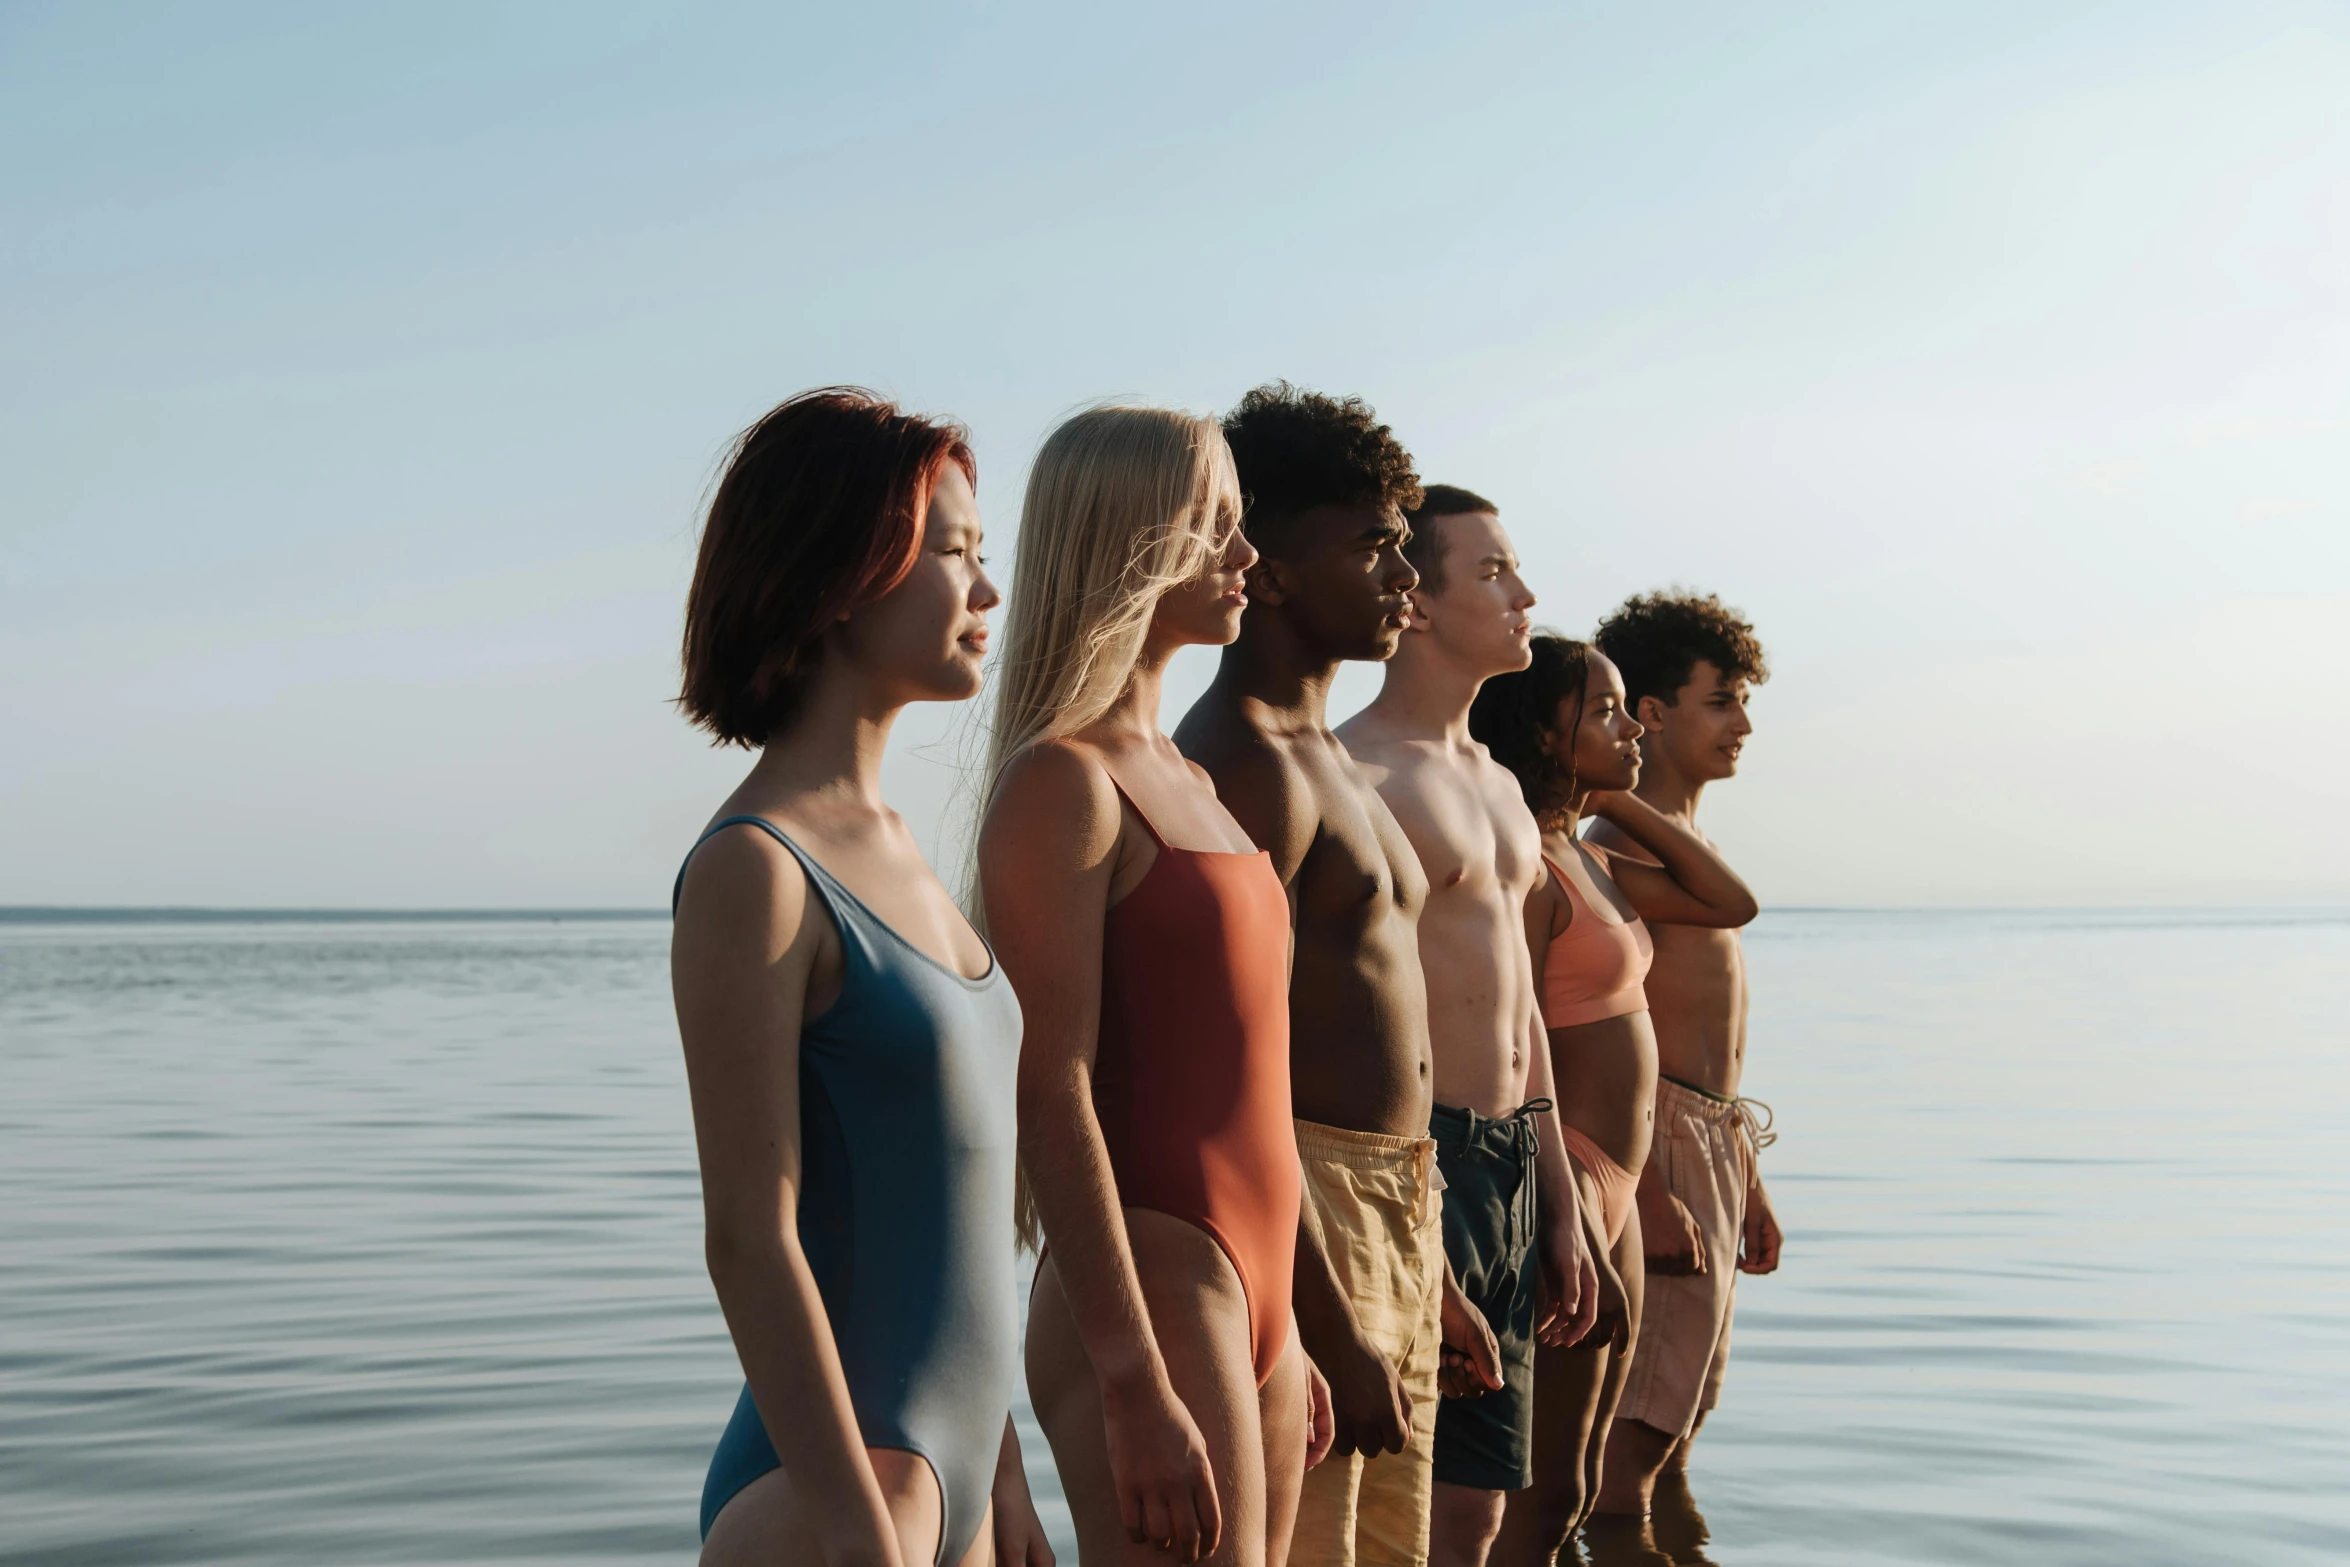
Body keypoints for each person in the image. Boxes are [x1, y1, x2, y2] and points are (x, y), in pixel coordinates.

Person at [670, 388, 1053, 1567]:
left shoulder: (902, 856)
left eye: (985, 557)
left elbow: (965, 1226)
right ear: (844, 574)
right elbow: (749, 1232)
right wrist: (851, 1526)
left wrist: (1006, 1484)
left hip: (951, 1491)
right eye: (954, 555)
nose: (987, 594)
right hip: (827, 1506)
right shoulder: (756, 868)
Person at [978, 406, 1327, 1566]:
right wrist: (1129, 1377)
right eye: (1216, 525)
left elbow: (1254, 1078)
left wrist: (1299, 1330)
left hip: (1256, 1297)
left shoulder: (1185, 774)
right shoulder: (1062, 784)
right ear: (1134, 539)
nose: (1245, 557)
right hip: (1155, 1281)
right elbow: (1048, 1084)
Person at [1175, 384, 1497, 1567]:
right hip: (1310, 1211)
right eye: (1370, 544)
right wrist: (1325, 1322)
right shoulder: (1238, 765)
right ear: (1264, 566)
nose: (1401, 576)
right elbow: (1229, 1084)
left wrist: (1438, 1277)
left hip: (1395, 1209)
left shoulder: (1333, 759)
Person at [1335, 488, 1610, 1567]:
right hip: (1423, 1154)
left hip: (1507, 1156)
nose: (1524, 594)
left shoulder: (1497, 784)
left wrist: (1555, 1199)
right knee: (1390, 1511)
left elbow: (1518, 1006)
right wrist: (1420, 1208)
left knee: (1479, 1515)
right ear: (1414, 601)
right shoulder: (1359, 774)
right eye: (1491, 572)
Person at [1469, 637, 1757, 1562]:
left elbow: (1727, 899)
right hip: (1574, 1178)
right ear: (1544, 734)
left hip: (1619, 1183)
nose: (1631, 725)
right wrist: (1573, 1202)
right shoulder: (1530, 867)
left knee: (1577, 1481)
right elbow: (1512, 1043)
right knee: (1543, 1485)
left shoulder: (1585, 854)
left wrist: (1615, 788)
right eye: (1604, 712)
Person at [1586, 592, 1780, 1521]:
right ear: (1652, 712)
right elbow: (1594, 1029)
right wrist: (1653, 1194)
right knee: (1636, 1436)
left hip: (1712, 1138)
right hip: (1656, 1143)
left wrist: (1747, 1176)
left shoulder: (1678, 839)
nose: (1744, 723)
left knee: (1683, 1420)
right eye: (1723, 700)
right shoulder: (1616, 844)